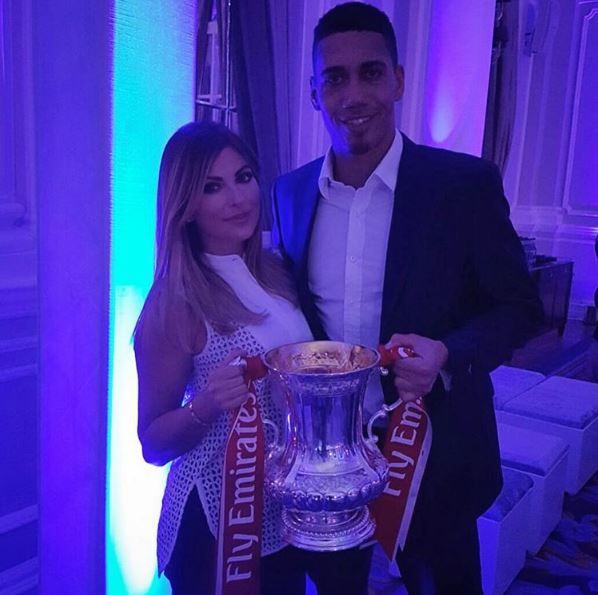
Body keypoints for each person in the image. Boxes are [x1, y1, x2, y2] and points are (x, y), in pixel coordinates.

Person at [271, 3, 544, 594]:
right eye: (335, 78)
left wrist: (447, 352)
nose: (354, 94)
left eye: (370, 73)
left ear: (397, 79)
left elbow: (521, 305)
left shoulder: (462, 186)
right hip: (330, 463)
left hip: (438, 456)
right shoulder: (289, 194)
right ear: (315, 92)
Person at [134, 121, 312, 594]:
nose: (238, 198)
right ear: (186, 206)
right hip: (215, 523)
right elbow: (151, 443)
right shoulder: (176, 301)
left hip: (281, 515)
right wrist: (207, 403)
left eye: (244, 177)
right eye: (213, 186)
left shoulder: (277, 273)